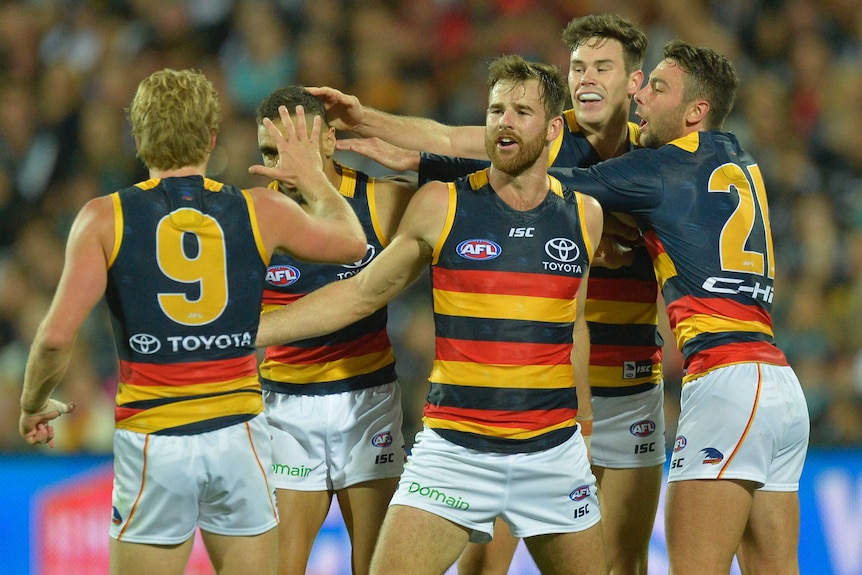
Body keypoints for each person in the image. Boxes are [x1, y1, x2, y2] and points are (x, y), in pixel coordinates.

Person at [311, 14, 665, 575]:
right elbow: (449, 138)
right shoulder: (549, 137)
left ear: (634, 82)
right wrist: (366, 118)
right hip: (510, 405)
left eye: (603, 67)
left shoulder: (660, 157)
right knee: (483, 567)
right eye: (578, 67)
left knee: (627, 559)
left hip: (624, 385)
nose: (587, 78)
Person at [257, 55, 608, 575]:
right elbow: (360, 294)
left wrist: (583, 424)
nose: (503, 122)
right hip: (453, 453)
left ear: (554, 128)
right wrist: (246, 332)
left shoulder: (585, 214)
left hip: (553, 453)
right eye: (494, 110)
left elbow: (572, 323)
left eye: (520, 111)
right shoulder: (441, 205)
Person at [18, 68, 367, 575]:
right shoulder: (259, 209)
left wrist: (32, 404)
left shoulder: (103, 217)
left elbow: (53, 339)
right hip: (239, 435)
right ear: (211, 137)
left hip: (155, 438)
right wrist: (312, 177)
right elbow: (352, 242)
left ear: (136, 138)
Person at [549, 41, 810, 575]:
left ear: (696, 112)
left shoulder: (663, 165)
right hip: (779, 388)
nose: (640, 93)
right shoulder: (737, 159)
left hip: (726, 381)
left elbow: (550, 186)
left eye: (657, 88)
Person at [254, 86, 417, 575]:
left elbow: (478, 193)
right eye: (267, 152)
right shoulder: (252, 218)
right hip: (285, 410)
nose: (279, 168)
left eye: (292, 149)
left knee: (375, 567)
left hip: (367, 403)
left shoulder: (386, 200)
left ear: (327, 142)